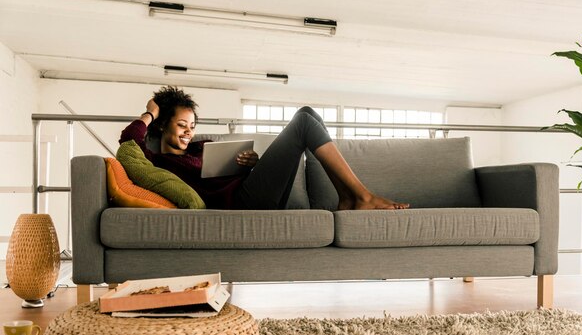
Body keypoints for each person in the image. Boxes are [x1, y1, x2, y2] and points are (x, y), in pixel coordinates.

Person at [120, 86, 409, 211]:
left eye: (192, 125)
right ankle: (363, 196)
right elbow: (129, 139)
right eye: (182, 125)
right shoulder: (157, 160)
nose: (188, 132)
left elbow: (238, 171)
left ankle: (347, 200)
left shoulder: (201, 147)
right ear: (163, 126)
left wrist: (251, 163)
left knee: (308, 112)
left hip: (254, 190)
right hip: (240, 204)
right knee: (304, 122)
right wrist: (151, 112)